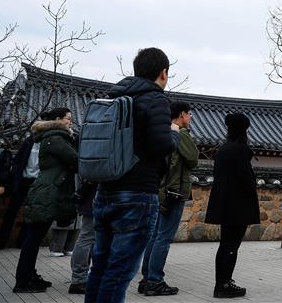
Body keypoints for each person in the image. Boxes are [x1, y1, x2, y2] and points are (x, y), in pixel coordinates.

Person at [85, 47, 180, 303]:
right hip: (137, 194)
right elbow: (161, 145)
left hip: (106, 192)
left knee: (101, 268)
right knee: (119, 273)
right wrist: (173, 132)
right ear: (163, 72)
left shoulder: (116, 97)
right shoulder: (156, 99)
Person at [13, 107, 78, 294]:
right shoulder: (56, 138)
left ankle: (29, 275)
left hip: (47, 189)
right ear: (58, 119)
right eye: (68, 119)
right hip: (48, 191)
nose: (70, 122)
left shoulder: (50, 137)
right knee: (33, 238)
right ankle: (23, 281)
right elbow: (75, 159)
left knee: (34, 236)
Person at [138, 100, 198, 296]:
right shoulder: (180, 133)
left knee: (154, 236)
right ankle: (155, 279)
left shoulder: (162, 132)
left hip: (158, 190)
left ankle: (146, 278)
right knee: (164, 237)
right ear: (182, 114)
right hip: (173, 191)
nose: (190, 118)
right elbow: (192, 158)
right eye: (189, 114)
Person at [205, 113, 259, 299]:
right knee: (231, 245)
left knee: (225, 244)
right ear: (244, 129)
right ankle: (223, 284)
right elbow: (245, 178)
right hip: (238, 204)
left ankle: (223, 281)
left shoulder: (223, 149)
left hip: (224, 203)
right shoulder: (241, 149)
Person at [0, 123, 40, 250]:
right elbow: (18, 161)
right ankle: (0, 242)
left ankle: (22, 242)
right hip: (22, 180)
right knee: (11, 211)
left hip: (37, 182)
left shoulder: (49, 144)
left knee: (30, 214)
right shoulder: (29, 142)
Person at [68, 177, 97, 294]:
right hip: (95, 197)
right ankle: (79, 280)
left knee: (87, 238)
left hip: (91, 197)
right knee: (87, 238)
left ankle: (79, 279)